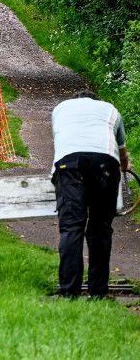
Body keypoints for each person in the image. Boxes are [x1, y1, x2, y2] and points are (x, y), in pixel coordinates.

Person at [51, 90, 131, 299]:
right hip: (105, 164)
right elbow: (122, 153)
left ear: (76, 100)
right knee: (100, 230)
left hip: (69, 164)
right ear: (97, 101)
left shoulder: (60, 109)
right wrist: (125, 165)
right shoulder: (111, 110)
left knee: (71, 228)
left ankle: (69, 292)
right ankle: (98, 293)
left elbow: (63, 140)